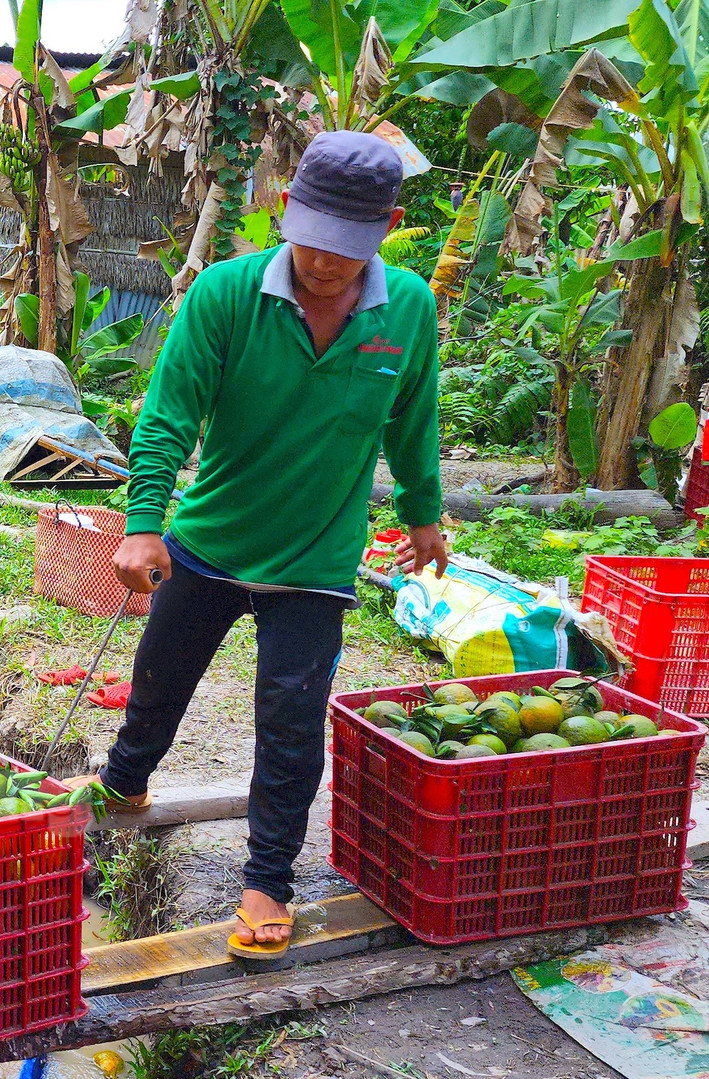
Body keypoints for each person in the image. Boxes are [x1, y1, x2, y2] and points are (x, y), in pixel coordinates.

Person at [67, 132, 448, 961]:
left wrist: (425, 512)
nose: (324, 262)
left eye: (347, 248)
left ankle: (268, 879)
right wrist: (142, 522)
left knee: (290, 715)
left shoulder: (408, 308)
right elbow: (169, 415)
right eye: (310, 238)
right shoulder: (225, 294)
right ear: (284, 210)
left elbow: (414, 417)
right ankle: (126, 783)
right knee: (159, 679)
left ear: (389, 225)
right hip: (210, 540)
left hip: (315, 557)